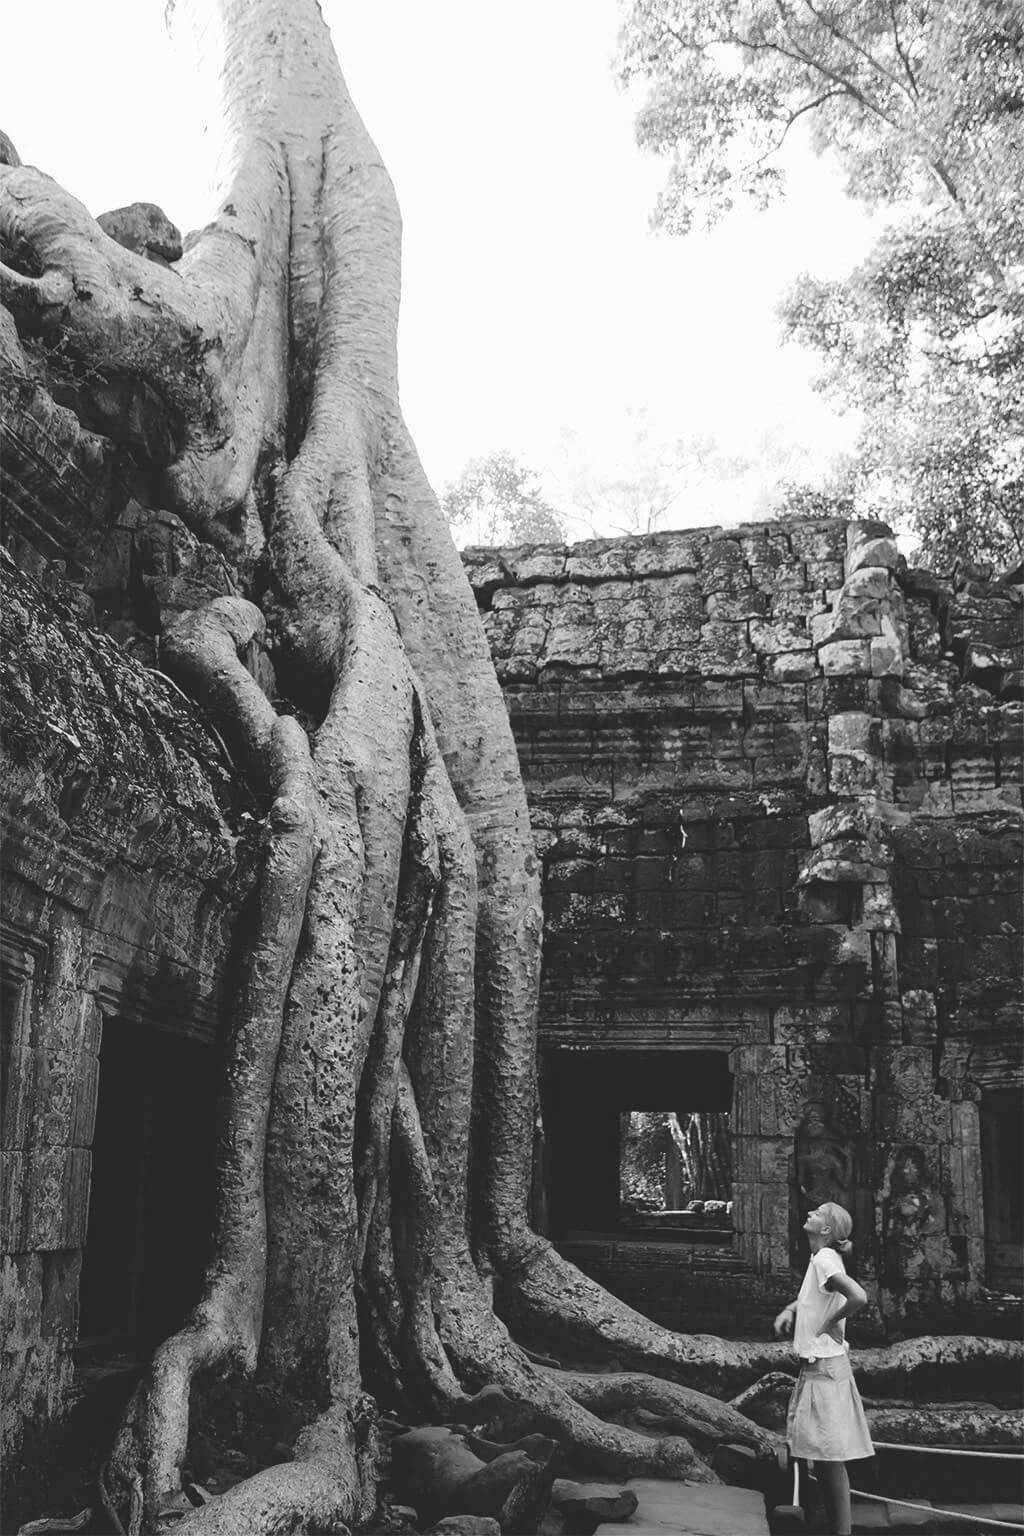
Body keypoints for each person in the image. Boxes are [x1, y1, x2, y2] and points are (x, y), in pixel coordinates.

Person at [773, 1201, 873, 1535]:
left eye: (816, 1213)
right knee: (824, 1460)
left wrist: (831, 1321)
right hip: (821, 1369)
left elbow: (858, 1296)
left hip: (826, 1370)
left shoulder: (826, 1259)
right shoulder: (821, 1260)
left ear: (827, 1229)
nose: (809, 1214)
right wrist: (791, 1309)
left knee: (831, 1460)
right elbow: (817, 1295)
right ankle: (832, 1527)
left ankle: (841, 1531)